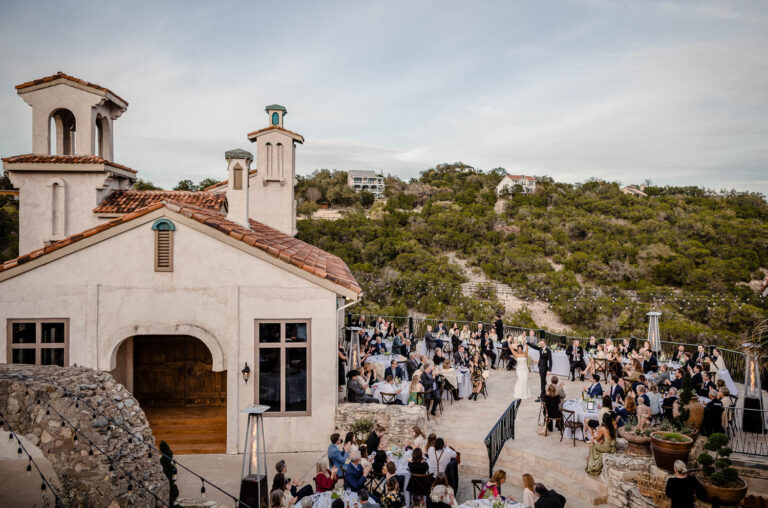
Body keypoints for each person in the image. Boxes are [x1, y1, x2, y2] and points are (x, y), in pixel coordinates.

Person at [528, 337, 552, 403]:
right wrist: (527, 343)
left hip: (544, 368)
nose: (540, 345)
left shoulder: (548, 350)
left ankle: (542, 398)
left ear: (544, 343)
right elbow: (534, 346)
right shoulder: (540, 349)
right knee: (544, 382)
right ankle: (545, 394)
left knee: (542, 383)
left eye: (541, 344)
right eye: (540, 344)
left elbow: (550, 361)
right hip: (540, 367)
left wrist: (549, 370)